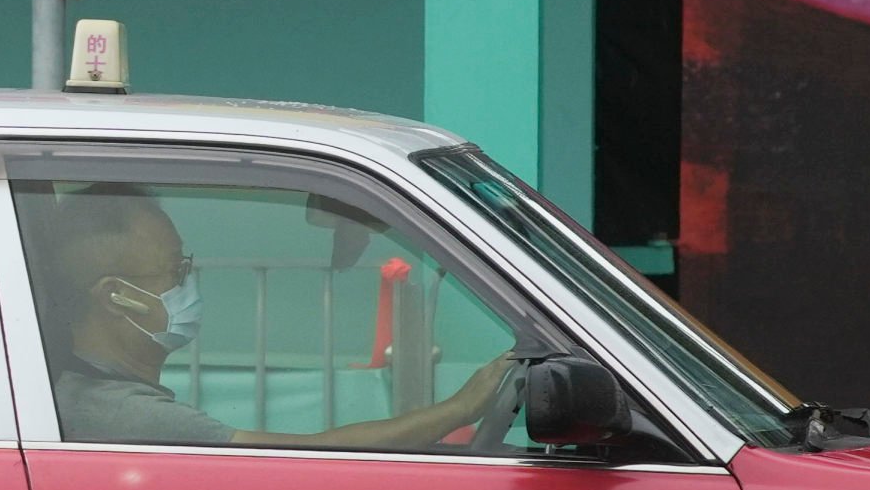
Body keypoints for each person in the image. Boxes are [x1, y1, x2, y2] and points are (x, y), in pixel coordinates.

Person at [26, 186, 514, 450]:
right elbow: (313, 456)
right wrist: (460, 408)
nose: (189, 283)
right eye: (175, 270)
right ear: (117, 296)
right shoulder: (117, 412)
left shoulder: (77, 395)